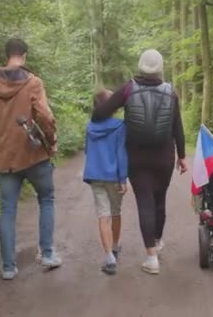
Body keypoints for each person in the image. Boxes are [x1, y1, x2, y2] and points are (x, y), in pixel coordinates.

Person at [91, 49, 187, 275]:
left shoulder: (128, 88)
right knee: (159, 199)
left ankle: (151, 258)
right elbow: (177, 127)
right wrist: (182, 156)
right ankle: (157, 240)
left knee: (145, 201)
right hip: (164, 156)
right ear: (160, 67)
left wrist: (102, 120)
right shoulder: (171, 91)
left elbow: (102, 112)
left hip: (137, 156)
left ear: (140, 66)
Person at [0, 38, 62, 280]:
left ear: (7, 55)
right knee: (46, 199)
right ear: (23, 55)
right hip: (34, 155)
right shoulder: (33, 82)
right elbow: (45, 116)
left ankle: (8, 268)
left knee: (7, 209)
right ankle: (47, 254)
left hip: (4, 158)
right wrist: (52, 139)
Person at [83, 89, 128, 275]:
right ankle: (115, 247)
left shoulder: (89, 126)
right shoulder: (119, 126)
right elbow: (121, 153)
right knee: (116, 212)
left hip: (95, 175)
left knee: (103, 215)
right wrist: (123, 178)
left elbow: (87, 150)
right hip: (114, 176)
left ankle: (109, 257)